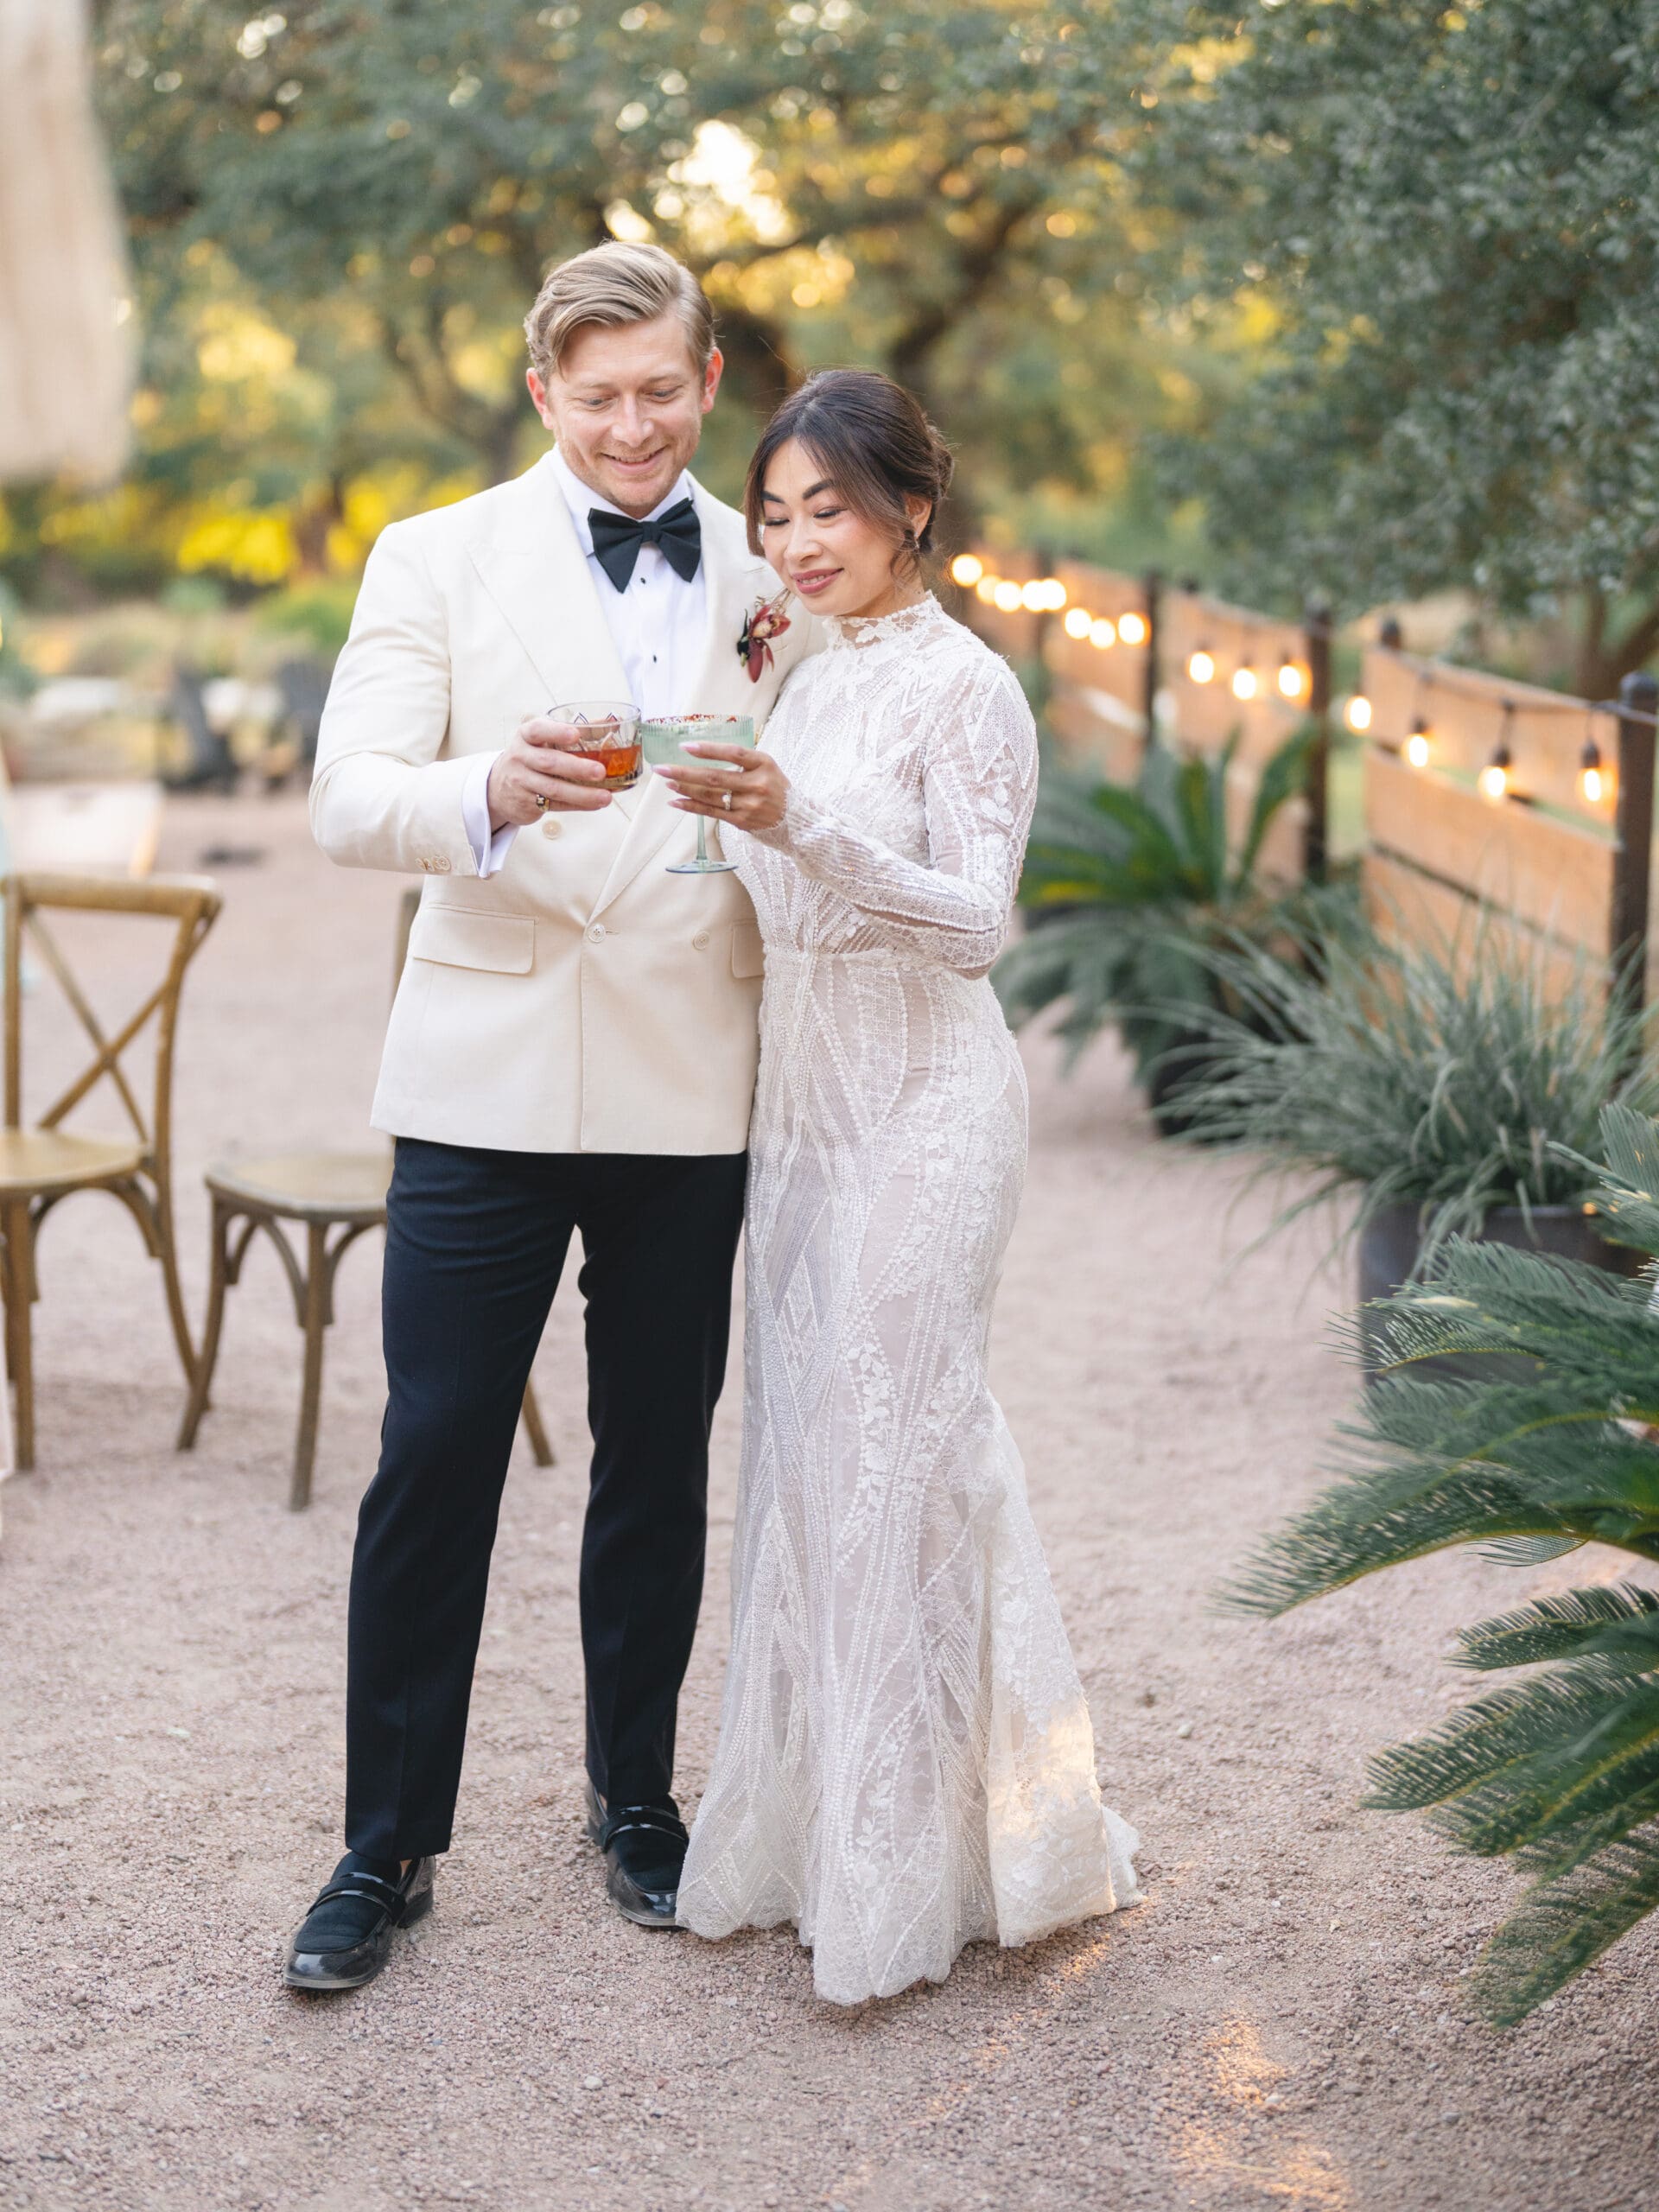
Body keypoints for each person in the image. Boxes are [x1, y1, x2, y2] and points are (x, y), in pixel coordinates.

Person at [283, 243, 817, 1991]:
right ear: (543, 397)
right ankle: (386, 1844)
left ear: (708, 375)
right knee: (433, 1455)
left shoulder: (778, 566)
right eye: (598, 399)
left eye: (661, 390)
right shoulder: (431, 555)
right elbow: (349, 798)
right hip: (483, 1076)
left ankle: (635, 1800)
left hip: (689, 1069)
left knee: (657, 1463)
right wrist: (487, 790)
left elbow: (826, 782)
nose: (633, 425)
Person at [657, 370, 1139, 2005]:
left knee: (899, 1445)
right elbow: (766, 876)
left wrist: (799, 825)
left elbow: (974, 925)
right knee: (814, 1453)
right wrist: (716, 814)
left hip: (931, 1103)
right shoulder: (787, 672)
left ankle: (927, 1864)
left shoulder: (970, 689)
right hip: (802, 1111)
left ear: (911, 509)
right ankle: (834, 1829)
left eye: (829, 511)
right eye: (775, 512)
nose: (794, 543)